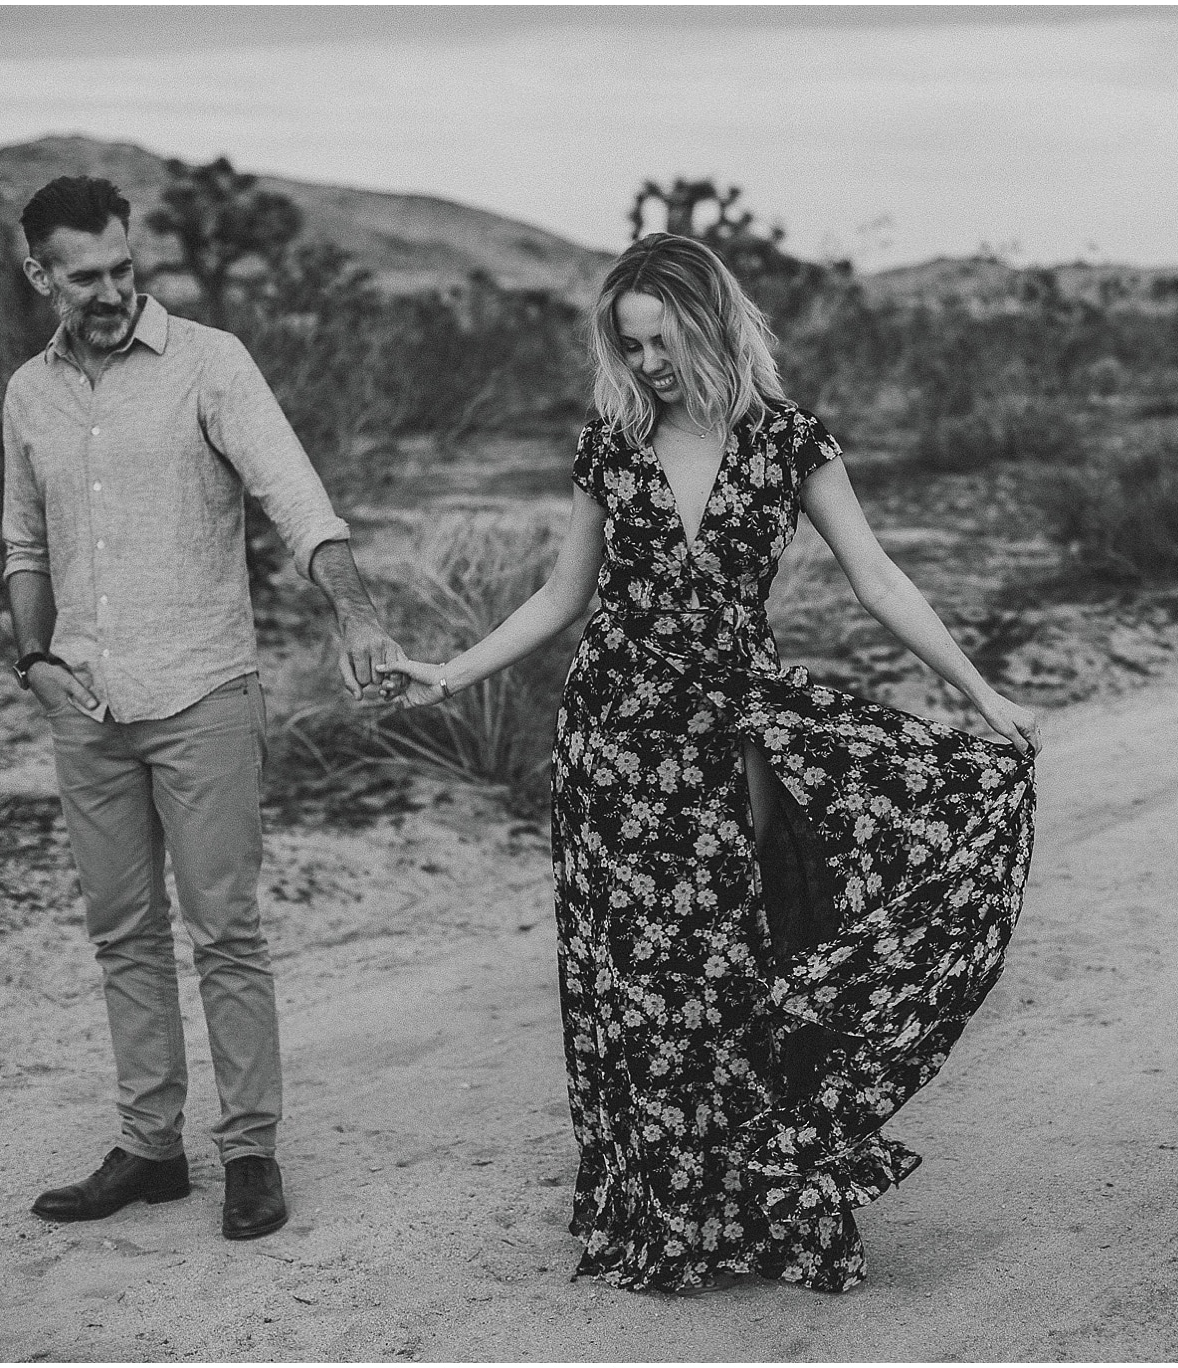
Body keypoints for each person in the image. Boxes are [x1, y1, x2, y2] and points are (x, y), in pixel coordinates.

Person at [383, 233, 1040, 1292]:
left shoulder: (789, 444)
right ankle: (663, 1214)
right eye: (627, 345)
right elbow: (561, 598)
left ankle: (756, 1204)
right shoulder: (610, 444)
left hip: (728, 737)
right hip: (613, 744)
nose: (644, 365)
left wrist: (983, 695)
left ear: (710, 323)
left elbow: (877, 578)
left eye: (660, 340)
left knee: (732, 974)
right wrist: (449, 676)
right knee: (637, 986)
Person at [1, 175, 401, 1241]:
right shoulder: (27, 394)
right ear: (38, 273)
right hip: (85, 703)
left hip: (201, 689)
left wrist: (354, 612)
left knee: (224, 929)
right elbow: (24, 546)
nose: (110, 291)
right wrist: (33, 656)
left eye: (122, 268)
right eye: (84, 275)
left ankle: (251, 1151)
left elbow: (294, 493)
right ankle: (149, 1148)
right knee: (121, 933)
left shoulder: (209, 362)